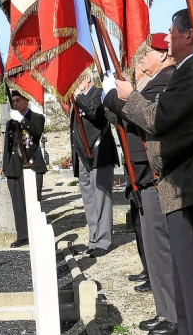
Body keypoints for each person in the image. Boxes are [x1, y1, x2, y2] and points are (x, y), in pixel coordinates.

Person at [108, 8, 193, 335]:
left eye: (172, 30)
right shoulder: (189, 68)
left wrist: (128, 97)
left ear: (189, 35)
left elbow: (159, 118)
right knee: (186, 286)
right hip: (183, 185)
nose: (168, 36)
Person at [103, 33, 178, 334]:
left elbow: (139, 112)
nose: (141, 58)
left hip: (154, 174)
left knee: (160, 248)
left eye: (147, 52)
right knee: (154, 247)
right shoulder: (152, 82)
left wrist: (112, 94)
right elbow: (119, 115)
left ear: (161, 55)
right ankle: (166, 311)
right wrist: (113, 99)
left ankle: (171, 314)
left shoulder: (165, 80)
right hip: (143, 176)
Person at [70, 75, 119, 258]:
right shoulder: (79, 98)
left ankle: (104, 240)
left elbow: (95, 113)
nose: (74, 85)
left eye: (77, 80)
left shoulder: (99, 93)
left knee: (101, 198)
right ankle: (93, 238)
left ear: (87, 78)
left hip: (99, 154)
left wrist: (79, 97)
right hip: (83, 155)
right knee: (89, 200)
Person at [2, 90, 47, 248]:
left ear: (26, 100)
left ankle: (36, 231)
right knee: (18, 203)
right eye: (13, 101)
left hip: (32, 165)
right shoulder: (10, 123)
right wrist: (6, 167)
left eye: (18, 100)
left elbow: (36, 132)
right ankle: (23, 235)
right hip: (14, 167)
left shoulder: (37, 118)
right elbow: (8, 147)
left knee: (33, 201)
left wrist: (22, 120)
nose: (15, 103)